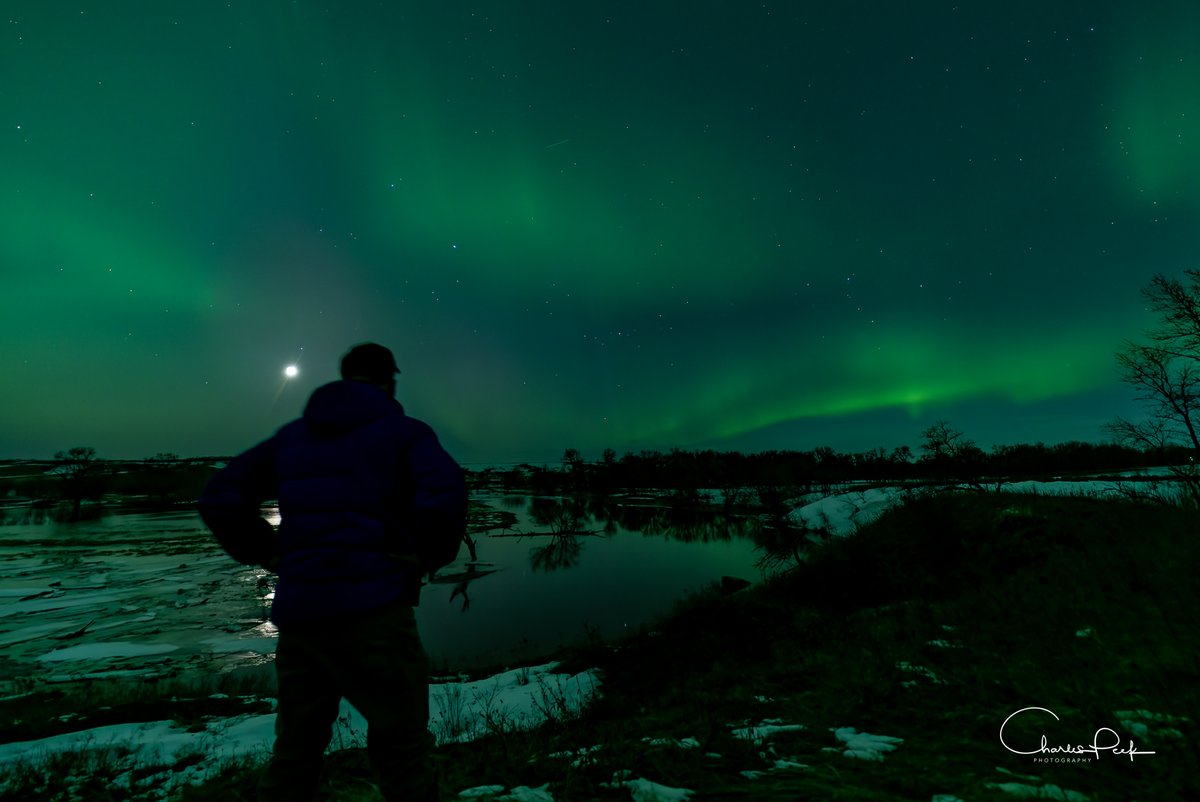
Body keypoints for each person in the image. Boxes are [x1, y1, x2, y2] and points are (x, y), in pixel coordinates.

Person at [198, 342, 467, 802]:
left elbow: (220, 496)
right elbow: (445, 496)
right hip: (377, 615)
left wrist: (271, 551)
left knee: (295, 753)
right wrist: (424, 556)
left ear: (344, 377)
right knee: (402, 751)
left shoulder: (292, 437)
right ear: (390, 381)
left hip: (302, 620)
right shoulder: (405, 433)